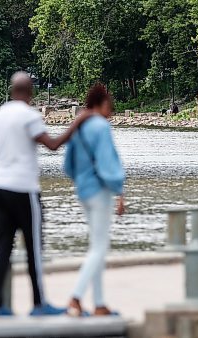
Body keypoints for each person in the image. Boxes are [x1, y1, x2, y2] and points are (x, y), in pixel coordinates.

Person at [0, 71, 92, 317]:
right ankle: (38, 303)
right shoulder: (29, 116)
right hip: (23, 188)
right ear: (30, 92)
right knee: (34, 247)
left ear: (12, 90)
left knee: (1, 248)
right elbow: (53, 145)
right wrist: (76, 123)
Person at [64, 83, 125, 316]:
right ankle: (76, 297)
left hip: (83, 190)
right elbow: (109, 165)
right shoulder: (101, 127)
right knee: (100, 247)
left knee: (95, 246)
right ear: (101, 103)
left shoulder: (80, 125)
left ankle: (99, 303)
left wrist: (81, 179)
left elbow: (68, 165)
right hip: (100, 192)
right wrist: (120, 191)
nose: (112, 108)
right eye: (109, 103)